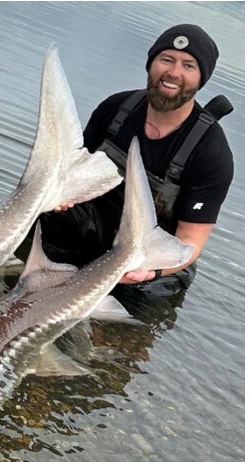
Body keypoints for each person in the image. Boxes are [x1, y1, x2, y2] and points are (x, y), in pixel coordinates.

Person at [22, 24, 234, 298]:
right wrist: (60, 197)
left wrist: (150, 271)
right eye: (166, 59)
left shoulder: (211, 152)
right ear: (151, 64)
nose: (173, 72)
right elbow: (72, 170)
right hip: (96, 227)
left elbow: (190, 241)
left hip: (152, 255)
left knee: (135, 311)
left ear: (201, 79)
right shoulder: (116, 108)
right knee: (41, 213)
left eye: (188, 65)